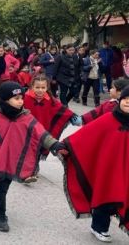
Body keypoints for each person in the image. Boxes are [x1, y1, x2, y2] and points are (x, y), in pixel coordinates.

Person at [0, 81, 65, 232]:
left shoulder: (25, 116)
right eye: (17, 98)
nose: (21, 101)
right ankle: (0, 214)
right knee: (1, 184)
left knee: (3, 185)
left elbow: (40, 133)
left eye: (22, 98)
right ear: (6, 99)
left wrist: (54, 145)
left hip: (12, 159)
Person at [61, 86, 129, 243]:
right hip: (107, 169)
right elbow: (87, 134)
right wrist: (66, 146)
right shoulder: (108, 119)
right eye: (126, 100)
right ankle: (99, 227)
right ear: (120, 100)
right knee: (106, 196)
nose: (128, 103)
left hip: (126, 169)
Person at [23, 74, 80, 168]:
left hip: (42, 130)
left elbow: (62, 109)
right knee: (27, 148)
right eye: (37, 87)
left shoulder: (50, 100)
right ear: (32, 86)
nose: (40, 90)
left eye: (43, 87)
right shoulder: (25, 98)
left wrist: (72, 116)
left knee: (38, 149)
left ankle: (34, 167)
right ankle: (27, 168)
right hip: (27, 129)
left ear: (47, 87)